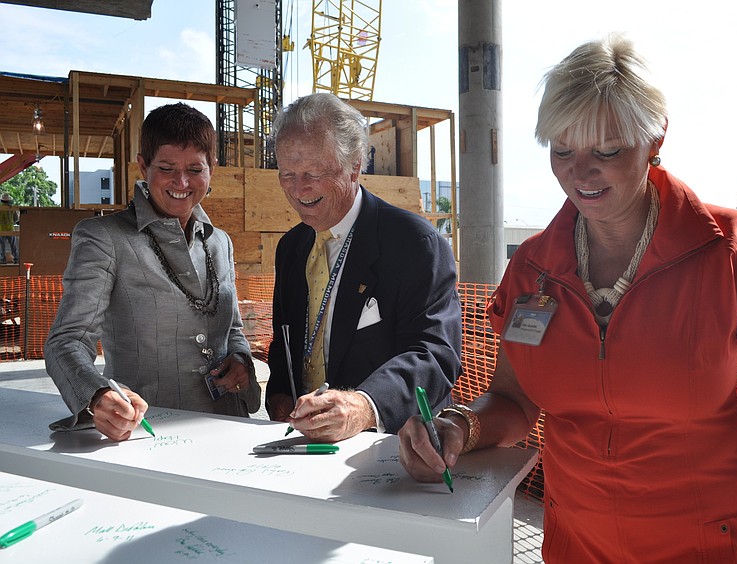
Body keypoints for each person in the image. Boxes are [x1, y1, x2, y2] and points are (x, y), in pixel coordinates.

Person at [399, 35, 737, 562]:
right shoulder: (531, 268)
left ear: (655, 137)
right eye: (562, 150)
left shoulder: (735, 253)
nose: (579, 173)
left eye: (607, 150)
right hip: (577, 549)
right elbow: (514, 400)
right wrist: (461, 424)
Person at [45, 102, 260, 441]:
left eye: (195, 168)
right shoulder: (104, 238)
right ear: (143, 166)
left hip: (227, 427)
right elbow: (67, 341)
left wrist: (240, 361)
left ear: (212, 169)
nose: (182, 181)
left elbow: (232, 329)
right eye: (166, 167)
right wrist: (97, 396)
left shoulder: (220, 243)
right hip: (146, 433)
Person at [265, 93, 462, 443]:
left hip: (390, 452)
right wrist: (280, 396)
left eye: (313, 173)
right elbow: (286, 342)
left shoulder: (414, 244)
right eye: (287, 175)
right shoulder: (291, 248)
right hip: (304, 448)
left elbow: (435, 356)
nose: (298, 189)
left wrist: (363, 406)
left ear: (355, 166)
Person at [0, 192, 18, 264]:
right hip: (10, 229)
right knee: (13, 245)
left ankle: (2, 260)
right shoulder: (12, 208)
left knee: (2, 246)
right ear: (8, 200)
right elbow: (16, 219)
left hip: (1, 229)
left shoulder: (0, 208)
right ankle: (16, 259)